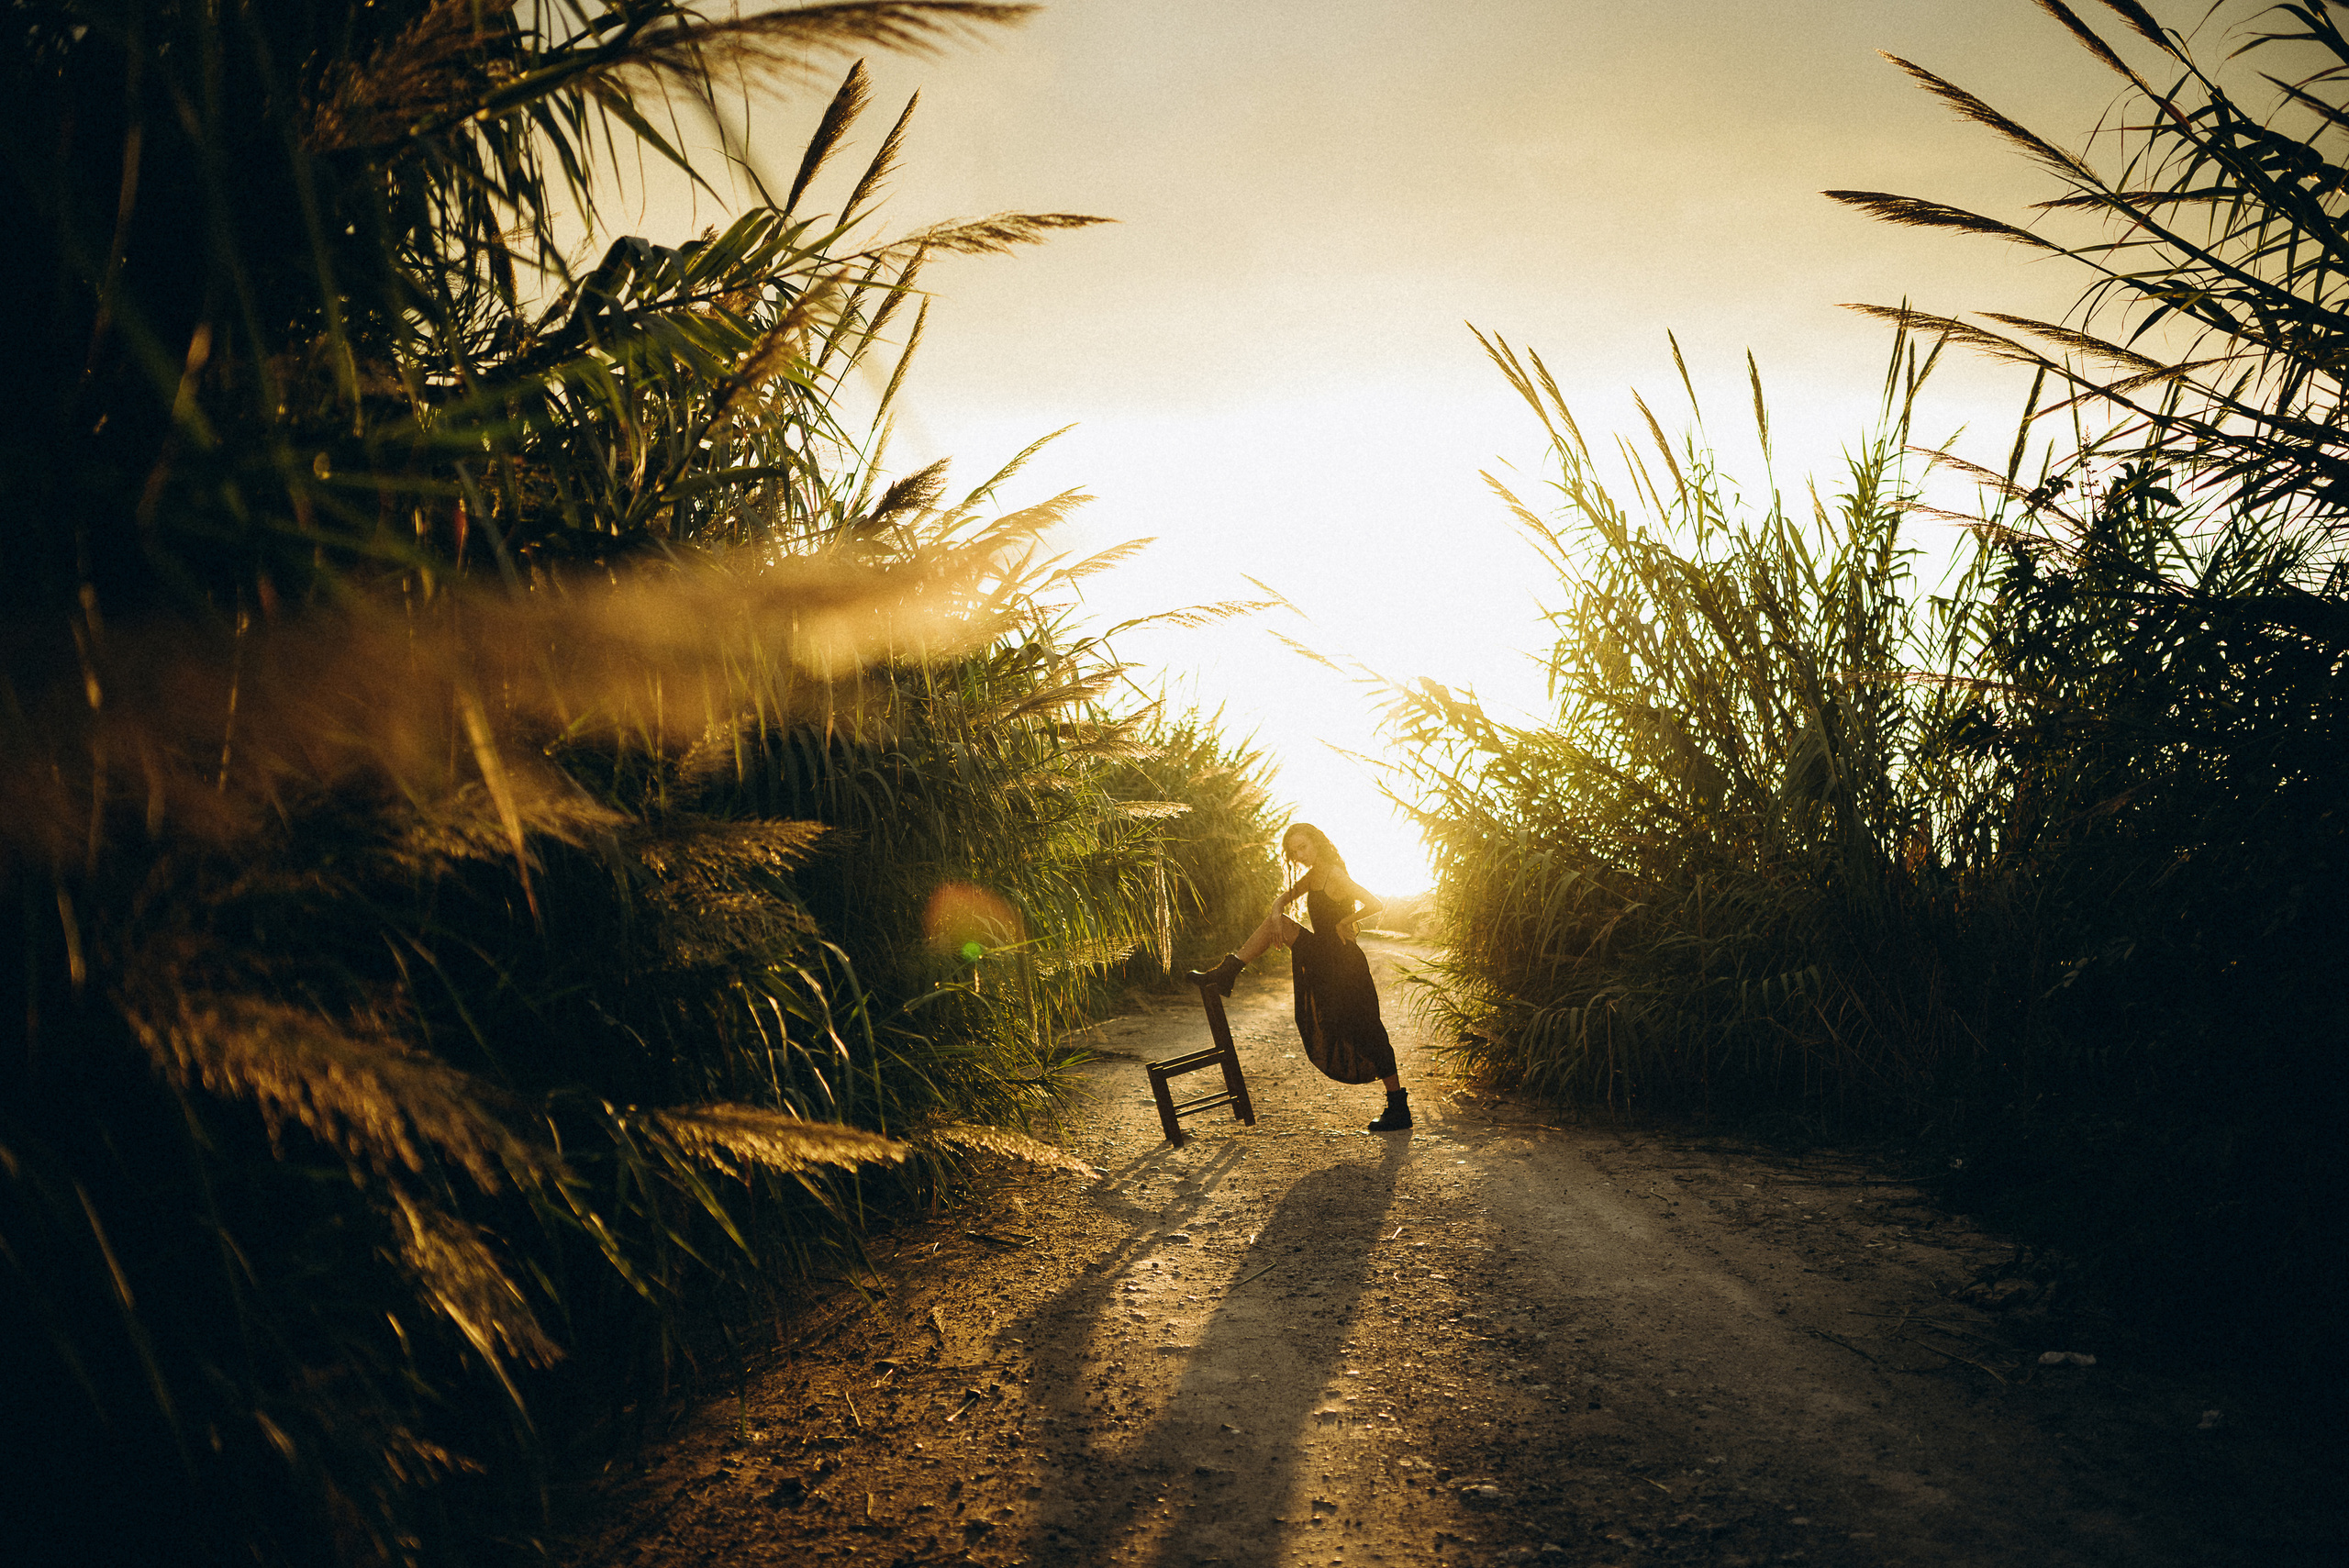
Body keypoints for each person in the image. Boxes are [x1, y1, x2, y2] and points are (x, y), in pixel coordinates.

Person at [1187, 822, 1410, 1131]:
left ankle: (1399, 1107)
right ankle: (1227, 971)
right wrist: (1278, 916)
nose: (1300, 855)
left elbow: (1374, 902)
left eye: (1303, 847)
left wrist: (1347, 920)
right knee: (1272, 924)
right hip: (1323, 954)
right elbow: (1281, 899)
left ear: (1317, 843)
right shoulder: (1314, 875)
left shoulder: (1334, 874)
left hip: (1343, 963)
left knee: (1367, 1029)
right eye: (1294, 851)